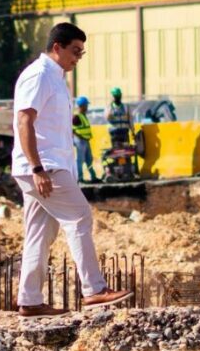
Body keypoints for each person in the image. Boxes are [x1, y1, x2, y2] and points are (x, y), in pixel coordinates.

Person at [12, 22, 133, 318]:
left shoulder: (56, 79)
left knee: (40, 231)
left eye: (82, 53)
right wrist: (38, 168)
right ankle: (94, 289)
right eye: (75, 51)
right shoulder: (39, 76)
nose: (78, 58)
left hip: (48, 165)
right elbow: (24, 121)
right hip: (44, 166)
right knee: (79, 215)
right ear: (57, 47)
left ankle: (29, 300)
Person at [72, 95, 98, 183]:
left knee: (89, 159)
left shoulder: (83, 115)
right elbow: (70, 129)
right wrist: (79, 136)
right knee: (80, 160)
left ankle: (93, 177)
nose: (87, 107)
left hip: (85, 141)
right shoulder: (76, 117)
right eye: (86, 105)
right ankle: (80, 178)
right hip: (80, 141)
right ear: (82, 106)